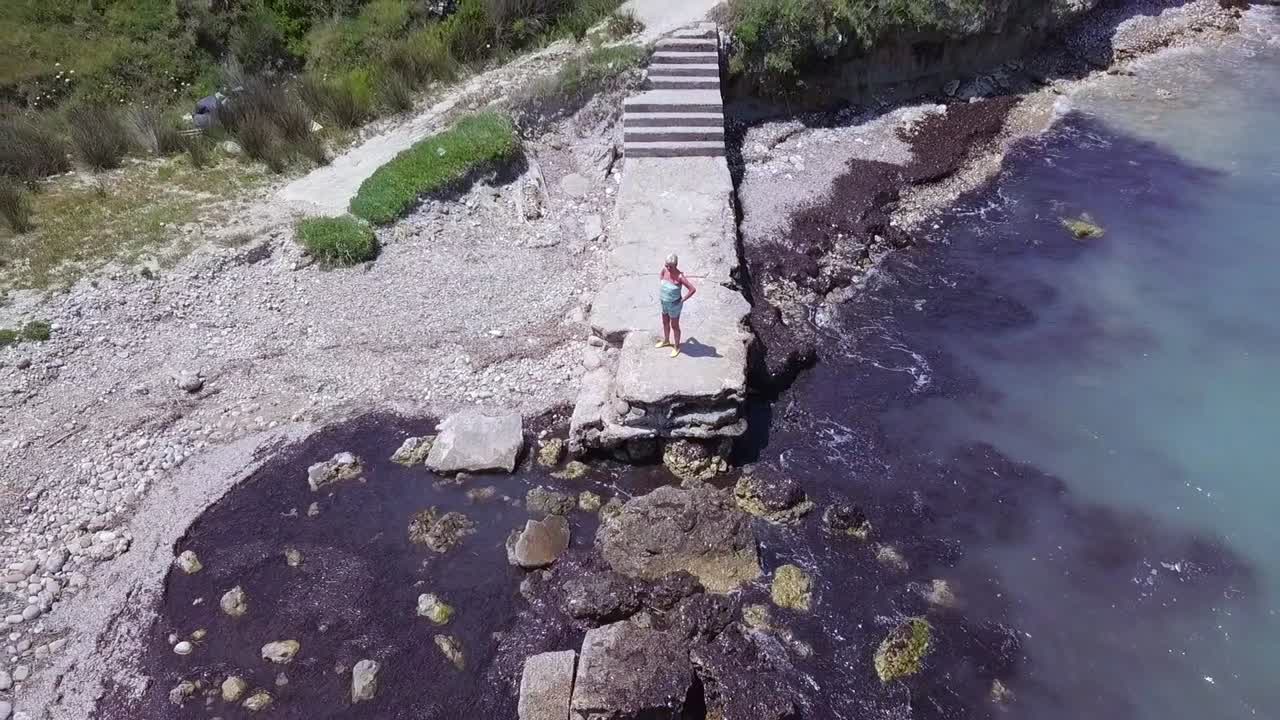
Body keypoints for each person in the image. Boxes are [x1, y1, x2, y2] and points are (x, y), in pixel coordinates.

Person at [656, 253, 697, 357]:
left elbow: (692, 289)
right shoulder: (664, 270)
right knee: (665, 322)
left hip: (674, 305)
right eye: (666, 265)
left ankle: (677, 347)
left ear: (676, 265)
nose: (668, 268)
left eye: (670, 266)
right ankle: (666, 340)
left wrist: (682, 300)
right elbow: (661, 276)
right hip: (664, 302)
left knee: (674, 326)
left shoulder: (680, 277)